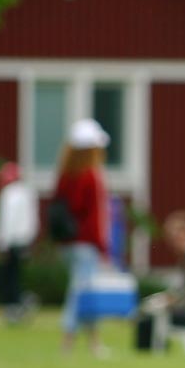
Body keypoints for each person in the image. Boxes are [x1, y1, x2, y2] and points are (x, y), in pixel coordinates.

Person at [54, 118, 112, 355]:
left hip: (67, 243)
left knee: (86, 292)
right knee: (79, 294)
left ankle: (94, 343)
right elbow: (94, 216)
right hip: (85, 244)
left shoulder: (65, 175)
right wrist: (102, 246)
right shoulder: (90, 176)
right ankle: (68, 342)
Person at [135, 210, 185, 351]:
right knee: (150, 313)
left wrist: (173, 300)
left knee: (149, 319)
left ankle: (150, 356)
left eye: (174, 234)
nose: (171, 239)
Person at [0, 161, 39, 324]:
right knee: (16, 275)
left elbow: (6, 221)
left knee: (8, 276)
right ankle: (21, 302)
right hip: (23, 241)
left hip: (11, 242)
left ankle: (13, 306)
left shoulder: (9, 194)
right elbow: (32, 221)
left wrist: (1, 243)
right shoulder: (27, 193)